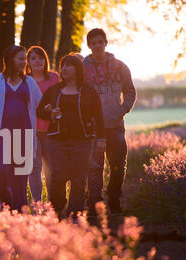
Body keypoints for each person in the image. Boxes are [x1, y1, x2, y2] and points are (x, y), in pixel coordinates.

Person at [36, 53, 105, 216]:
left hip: (82, 141)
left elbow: (99, 117)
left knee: (79, 179)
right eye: (63, 65)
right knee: (58, 177)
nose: (64, 68)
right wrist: (50, 113)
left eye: (69, 65)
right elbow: (39, 111)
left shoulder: (88, 91)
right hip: (57, 140)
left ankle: (75, 215)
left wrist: (102, 139)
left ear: (77, 69)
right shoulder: (54, 91)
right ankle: (58, 208)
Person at [0, 45, 42, 211]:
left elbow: (42, 104)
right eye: (20, 58)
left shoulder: (29, 82)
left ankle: (19, 211)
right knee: (0, 171)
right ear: (10, 60)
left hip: (24, 135)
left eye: (25, 59)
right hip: (2, 135)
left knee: (20, 177)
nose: (24, 62)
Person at [83, 28, 137, 215]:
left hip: (115, 125)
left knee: (118, 164)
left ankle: (113, 197)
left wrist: (122, 110)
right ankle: (94, 201)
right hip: (92, 127)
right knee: (94, 166)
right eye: (93, 43)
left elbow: (130, 91)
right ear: (89, 45)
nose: (97, 45)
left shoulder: (120, 66)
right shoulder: (82, 68)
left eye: (100, 42)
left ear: (106, 43)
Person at [26, 46, 60, 202]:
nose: (37, 61)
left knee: (52, 170)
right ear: (28, 62)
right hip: (31, 131)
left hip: (51, 131)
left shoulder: (54, 78)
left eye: (40, 57)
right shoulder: (24, 80)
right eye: (33, 58)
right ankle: (38, 204)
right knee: (34, 169)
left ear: (45, 60)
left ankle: (54, 204)